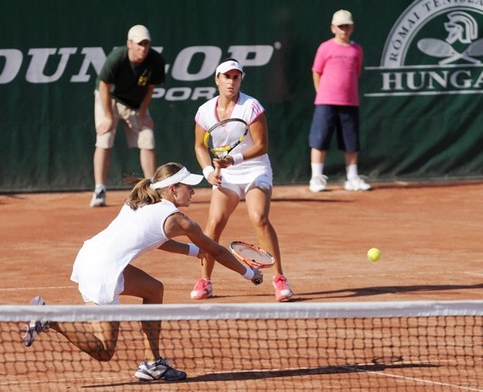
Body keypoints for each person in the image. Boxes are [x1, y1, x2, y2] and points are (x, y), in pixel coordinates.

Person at [22, 162, 263, 382]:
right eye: (188, 186)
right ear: (172, 189)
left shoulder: (139, 200)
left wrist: (192, 251)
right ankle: (50, 317)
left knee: (154, 289)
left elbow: (157, 238)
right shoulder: (179, 220)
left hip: (91, 256)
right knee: (104, 350)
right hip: (103, 271)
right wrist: (250, 274)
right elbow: (218, 251)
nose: (193, 191)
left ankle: (152, 364)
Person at [190, 59, 293, 302]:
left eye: (236, 77)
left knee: (259, 217)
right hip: (226, 175)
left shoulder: (251, 106)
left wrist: (233, 159)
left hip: (255, 169)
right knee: (214, 223)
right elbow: (199, 146)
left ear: (240, 80)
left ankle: (280, 279)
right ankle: (205, 281)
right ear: (217, 79)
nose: (231, 81)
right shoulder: (205, 111)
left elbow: (262, 145)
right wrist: (208, 172)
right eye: (226, 77)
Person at [90, 24, 166, 207]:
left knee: (147, 139)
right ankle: (99, 189)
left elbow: (150, 89)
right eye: (139, 44)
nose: (143, 48)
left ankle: (150, 189)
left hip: (135, 105)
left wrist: (142, 113)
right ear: (129, 44)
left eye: (146, 44)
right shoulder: (116, 59)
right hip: (109, 100)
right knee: (104, 139)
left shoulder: (156, 61)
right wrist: (108, 117)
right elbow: (103, 87)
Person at [307, 9, 371, 193]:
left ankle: (352, 178)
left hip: (350, 102)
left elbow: (356, 72)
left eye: (347, 26)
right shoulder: (325, 48)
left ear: (352, 27)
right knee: (319, 140)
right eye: (341, 26)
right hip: (326, 102)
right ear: (333, 28)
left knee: (351, 142)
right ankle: (316, 178)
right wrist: (322, 94)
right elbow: (316, 72)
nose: (344, 30)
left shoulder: (357, 49)